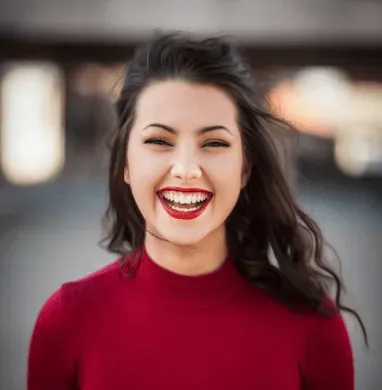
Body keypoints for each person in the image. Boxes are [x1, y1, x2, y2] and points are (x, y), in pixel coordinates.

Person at [27, 32, 367, 390]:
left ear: (245, 169)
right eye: (159, 141)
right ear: (125, 163)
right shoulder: (66, 321)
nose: (186, 168)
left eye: (214, 143)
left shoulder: (313, 325)